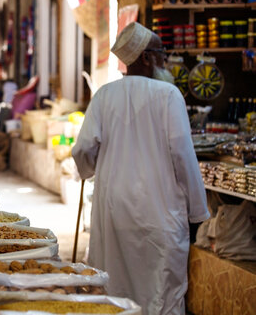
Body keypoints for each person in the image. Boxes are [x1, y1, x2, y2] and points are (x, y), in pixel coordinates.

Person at [72, 22, 209, 315]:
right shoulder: (169, 95)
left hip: (113, 211)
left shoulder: (104, 96)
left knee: (115, 288)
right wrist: (199, 213)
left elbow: (83, 150)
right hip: (159, 212)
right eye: (162, 53)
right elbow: (184, 157)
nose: (165, 59)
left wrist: (89, 169)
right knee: (161, 293)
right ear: (146, 57)